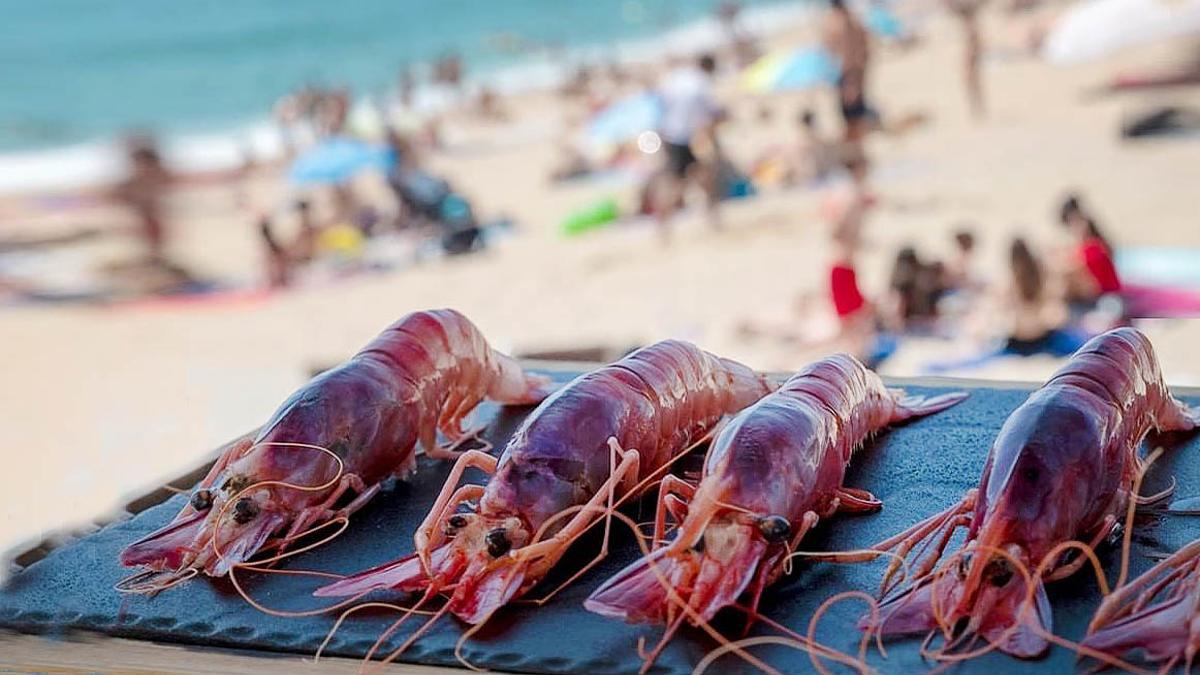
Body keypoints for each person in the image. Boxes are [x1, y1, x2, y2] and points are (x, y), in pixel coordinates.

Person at [654, 53, 724, 240]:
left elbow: (661, 102)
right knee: (683, 184)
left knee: (700, 180)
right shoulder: (701, 85)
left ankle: (712, 221)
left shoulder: (678, 77)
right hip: (686, 138)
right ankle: (665, 227)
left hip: (671, 134)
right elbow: (707, 119)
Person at [111, 134, 174, 263]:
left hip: (149, 211)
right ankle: (155, 255)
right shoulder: (140, 179)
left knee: (152, 229)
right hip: (148, 211)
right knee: (150, 229)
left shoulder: (149, 176)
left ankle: (156, 256)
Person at [823, 0, 873, 159]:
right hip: (849, 74)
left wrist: (852, 81)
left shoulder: (842, 22)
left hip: (847, 75)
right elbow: (864, 51)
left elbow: (850, 54)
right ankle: (858, 156)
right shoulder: (849, 20)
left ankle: (857, 158)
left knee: (852, 120)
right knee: (854, 120)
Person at [1059, 194, 1121, 306]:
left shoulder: (1093, 249)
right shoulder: (1091, 245)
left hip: (1106, 297)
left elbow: (1090, 285)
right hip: (1104, 295)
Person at [948, 0, 986, 118]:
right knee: (972, 85)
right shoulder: (971, 25)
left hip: (971, 59)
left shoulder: (971, 27)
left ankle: (978, 110)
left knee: (973, 84)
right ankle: (977, 110)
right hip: (971, 58)